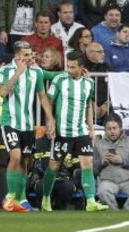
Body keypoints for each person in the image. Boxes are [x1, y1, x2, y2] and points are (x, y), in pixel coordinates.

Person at [41, 51, 108, 212]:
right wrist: (50, 122)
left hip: (81, 131)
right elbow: (48, 101)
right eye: (68, 66)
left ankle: (91, 201)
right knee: (54, 165)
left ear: (81, 68)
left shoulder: (88, 83)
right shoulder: (59, 80)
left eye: (73, 67)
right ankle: (45, 198)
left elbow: (88, 106)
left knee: (87, 165)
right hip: (62, 132)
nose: (69, 70)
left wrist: (91, 128)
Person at [0, 40, 55, 212]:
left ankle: (21, 199)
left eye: (31, 54)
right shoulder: (5, 69)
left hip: (28, 124)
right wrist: (17, 73)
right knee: (15, 156)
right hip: (10, 121)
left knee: (25, 161)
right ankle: (10, 196)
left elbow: (42, 96)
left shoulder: (36, 72)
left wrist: (49, 117)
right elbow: (2, 93)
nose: (31, 58)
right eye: (27, 55)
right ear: (18, 55)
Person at [93, 113, 129, 211]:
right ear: (104, 129)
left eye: (114, 128)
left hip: (127, 180)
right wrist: (102, 162)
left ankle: (127, 214)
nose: (112, 131)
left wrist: (122, 161)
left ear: (121, 128)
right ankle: (114, 213)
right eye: (109, 129)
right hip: (107, 180)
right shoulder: (98, 144)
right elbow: (93, 169)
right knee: (102, 192)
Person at [84, 42, 111, 123]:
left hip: (106, 104)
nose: (103, 54)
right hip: (87, 102)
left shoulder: (107, 67)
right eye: (99, 52)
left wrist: (107, 103)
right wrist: (91, 102)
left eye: (103, 52)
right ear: (89, 53)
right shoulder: (81, 66)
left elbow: (115, 88)